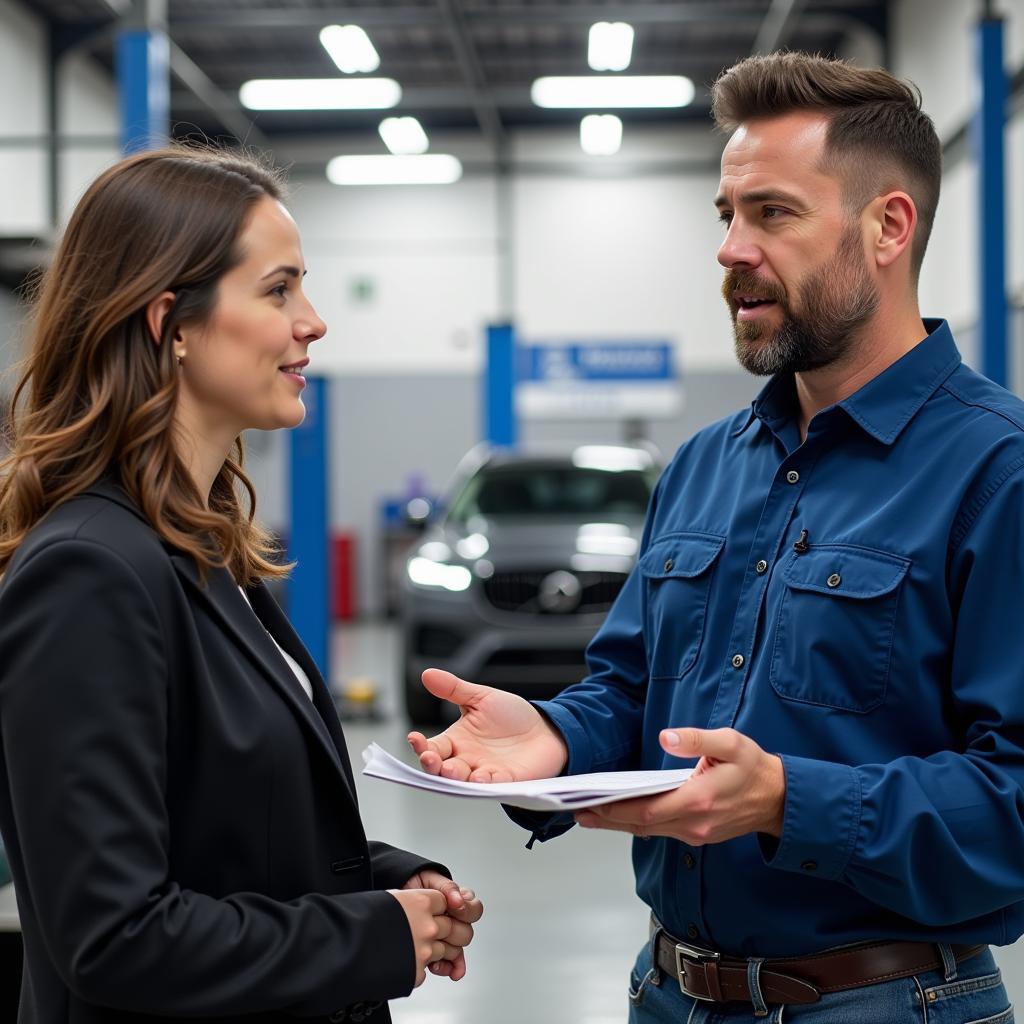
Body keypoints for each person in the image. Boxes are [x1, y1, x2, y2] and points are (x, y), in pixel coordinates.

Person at [408, 51, 1024, 1024]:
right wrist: (556, 740)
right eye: (724, 215)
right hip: (670, 994)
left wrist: (787, 797)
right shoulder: (701, 466)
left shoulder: (997, 471)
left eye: (771, 213)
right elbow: (628, 691)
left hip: (885, 1002)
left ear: (886, 229)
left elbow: (1014, 801)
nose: (731, 248)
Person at [0, 145, 483, 1024]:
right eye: (278, 290)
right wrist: (370, 938)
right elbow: (112, 934)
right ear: (170, 324)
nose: (313, 322)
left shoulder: (198, 552)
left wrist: (385, 882)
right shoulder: (88, 574)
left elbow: (222, 833)